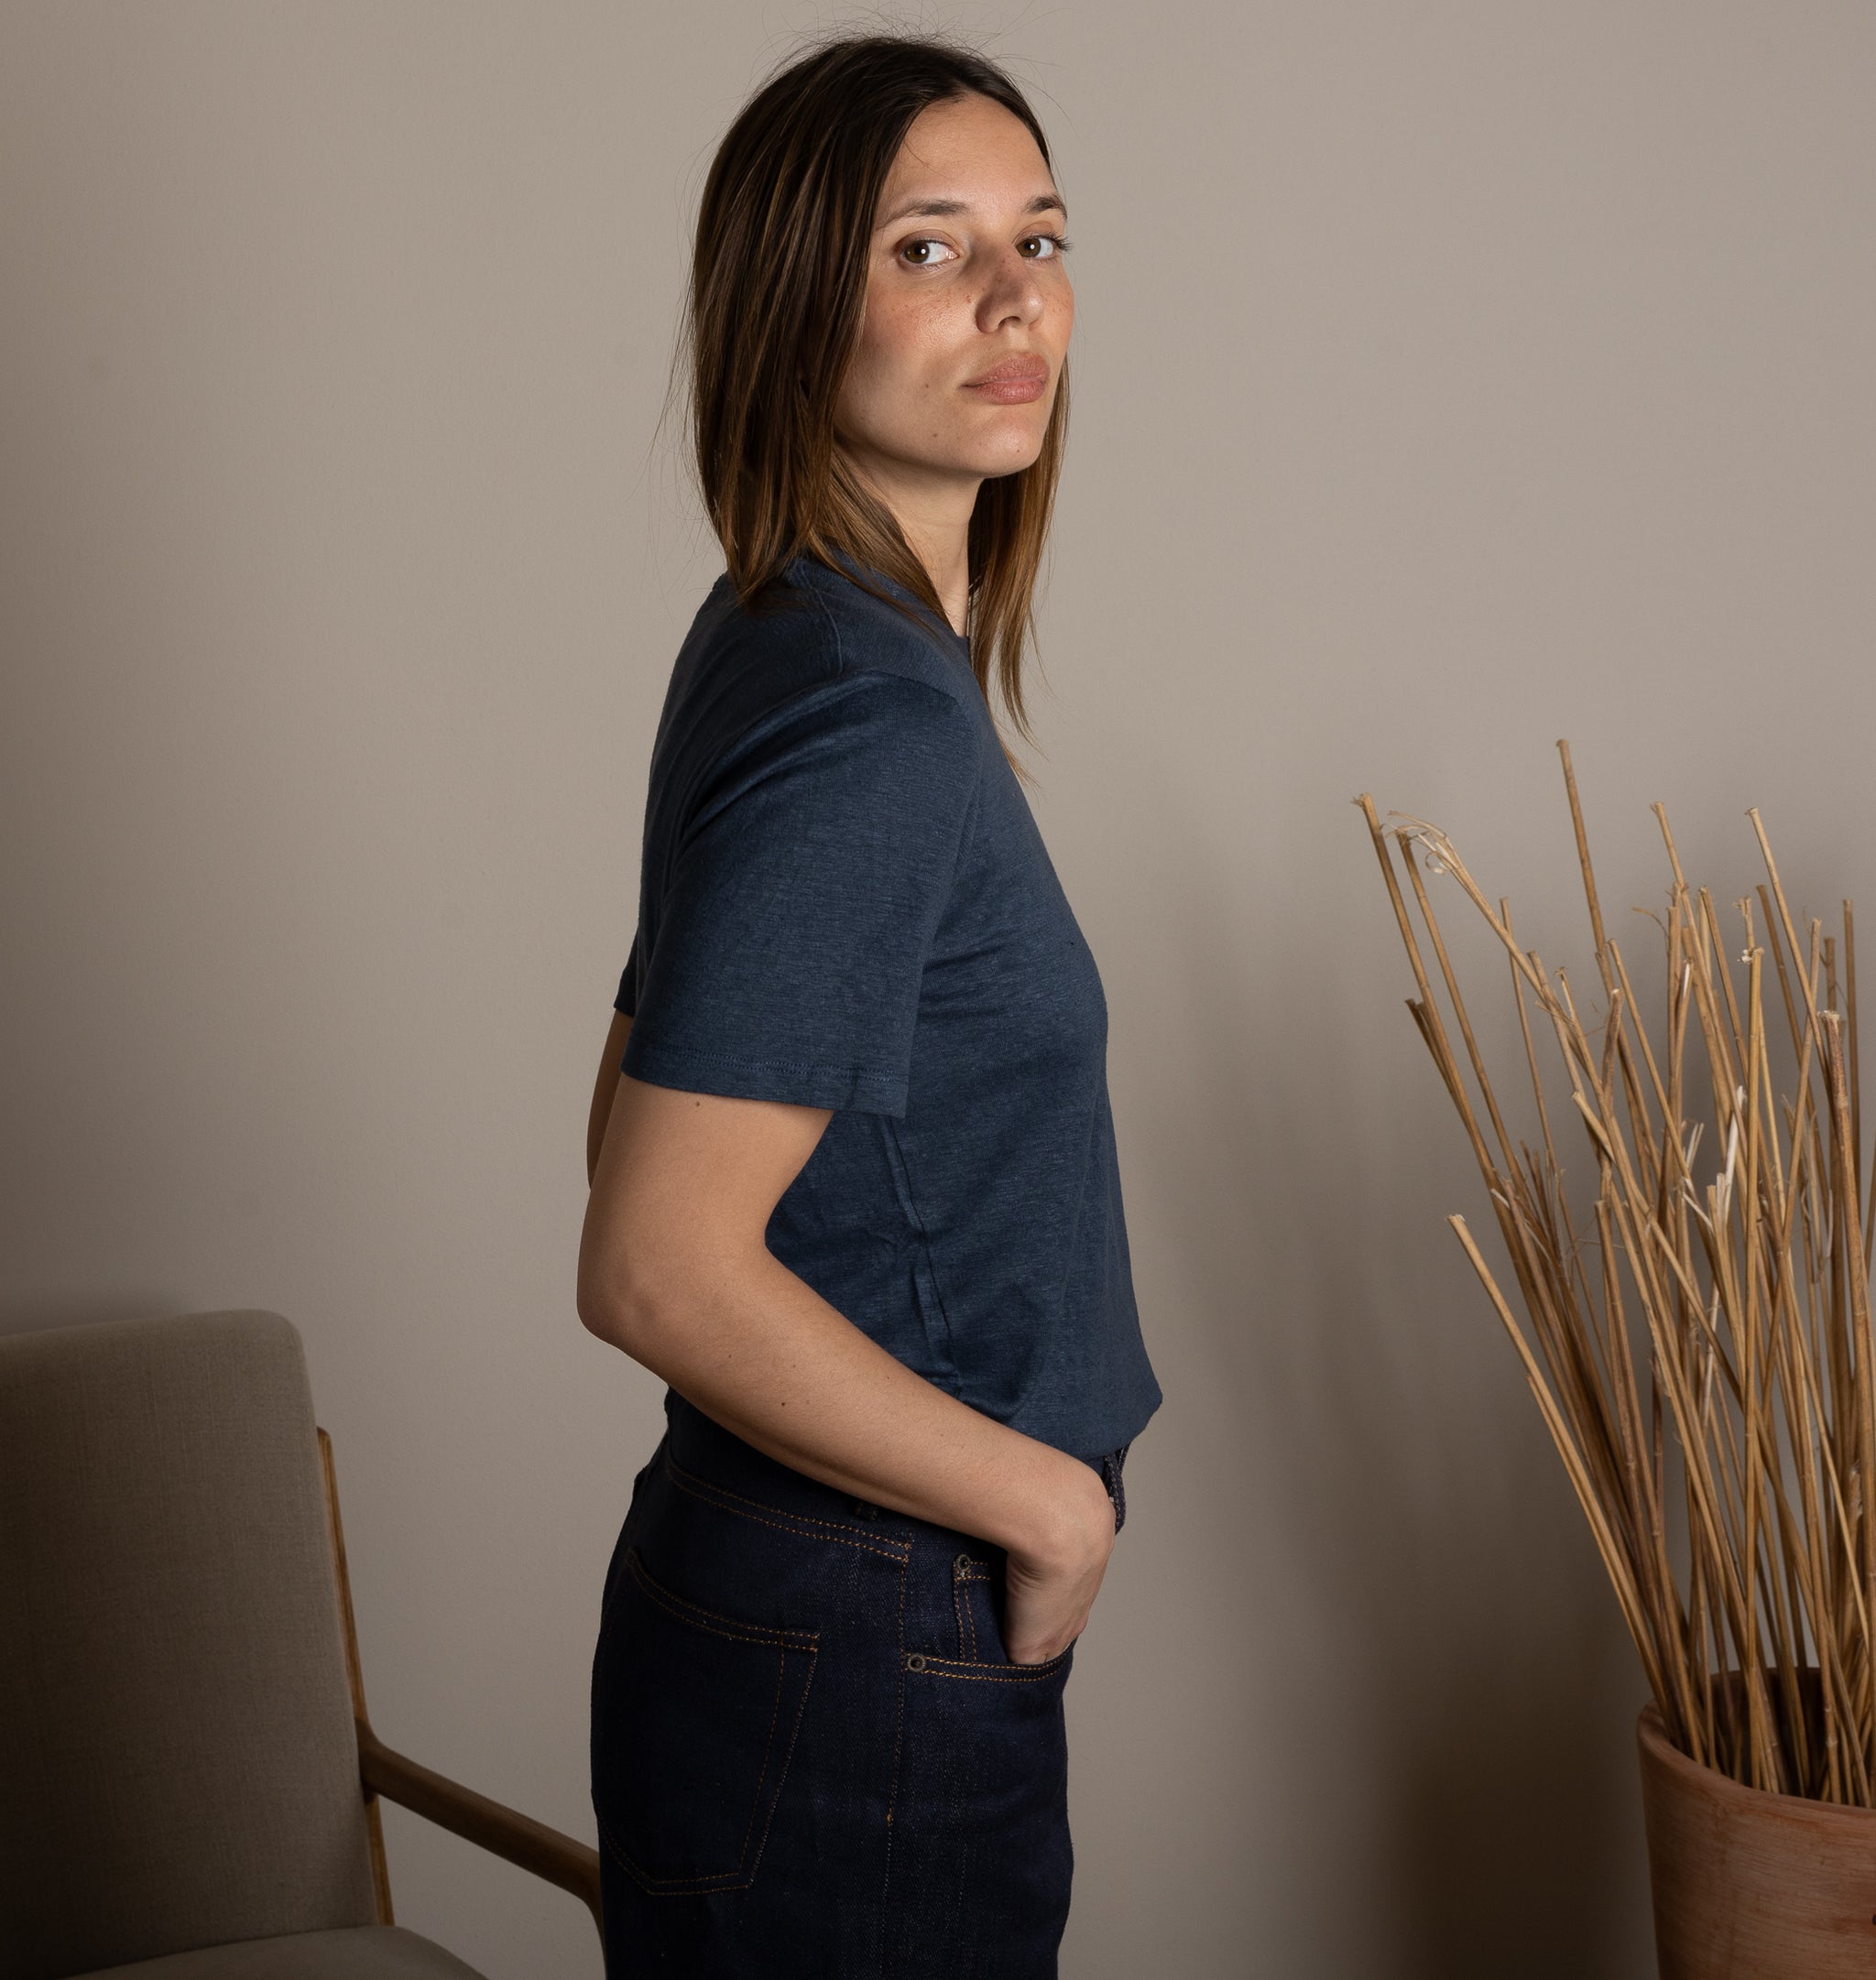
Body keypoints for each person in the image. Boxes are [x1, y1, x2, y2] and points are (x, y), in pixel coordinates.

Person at [576, 32, 1162, 1978]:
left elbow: (631, 1110)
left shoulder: (785, 628)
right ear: (789, 304)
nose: (1014, 298)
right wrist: (1049, 1509)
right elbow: (652, 1257)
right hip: (868, 1634)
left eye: (1038, 238)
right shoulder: (863, 716)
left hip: (805, 1606)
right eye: (927, 248)